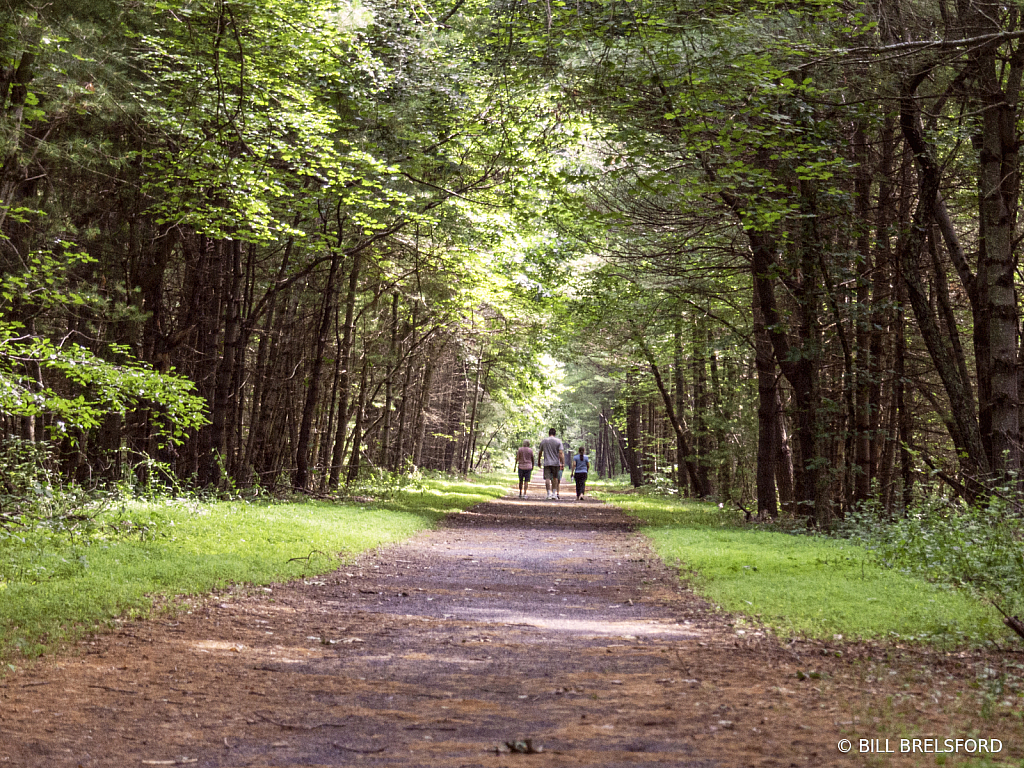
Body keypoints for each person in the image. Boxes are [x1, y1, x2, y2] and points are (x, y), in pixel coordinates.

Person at [537, 427, 564, 500]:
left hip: (547, 463)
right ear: (555, 434)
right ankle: (554, 494)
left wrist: (539, 461)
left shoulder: (544, 441)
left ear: (549, 433)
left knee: (547, 478)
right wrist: (562, 463)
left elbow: (540, 452)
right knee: (555, 478)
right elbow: (561, 453)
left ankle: (548, 493)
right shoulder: (558, 441)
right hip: (555, 463)